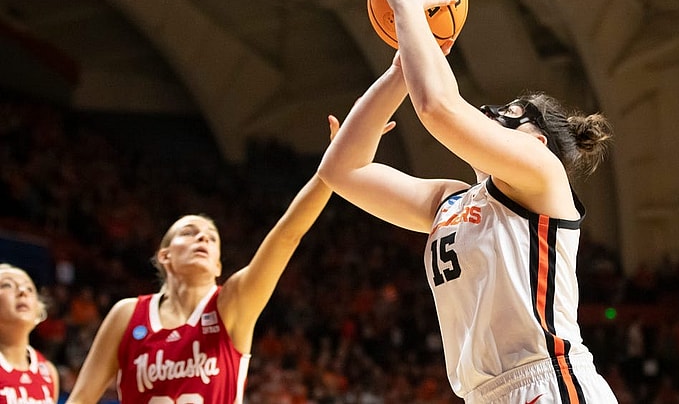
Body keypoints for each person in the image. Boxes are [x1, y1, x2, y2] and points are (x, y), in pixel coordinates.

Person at [317, 0, 618, 402]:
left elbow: (439, 108)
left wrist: (406, 3)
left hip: (550, 382)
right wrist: (403, 67)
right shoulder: (451, 201)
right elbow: (341, 171)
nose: (492, 113)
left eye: (511, 113)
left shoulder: (542, 174)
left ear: (538, 138)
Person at [65, 117, 393, 404]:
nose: (202, 238)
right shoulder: (127, 315)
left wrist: (331, 171)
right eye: (190, 232)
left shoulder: (231, 303)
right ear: (165, 255)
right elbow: (81, 398)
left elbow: (287, 235)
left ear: (219, 267)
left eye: (211, 237)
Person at [0, 263, 59, 403]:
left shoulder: (49, 372)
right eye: (7, 285)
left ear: (38, 312)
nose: (22, 291)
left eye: (29, 288)